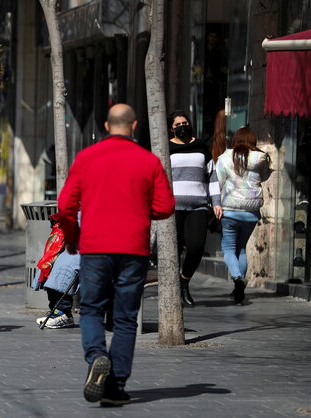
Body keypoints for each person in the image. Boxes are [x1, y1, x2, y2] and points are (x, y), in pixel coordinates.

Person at [56, 104, 175, 406]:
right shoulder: (149, 161)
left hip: (95, 247)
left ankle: (96, 355)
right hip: (133, 248)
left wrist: (72, 240)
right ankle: (116, 385)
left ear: (107, 126)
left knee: (93, 309)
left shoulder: (86, 158)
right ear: (134, 126)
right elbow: (165, 207)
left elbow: (66, 206)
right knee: (124, 318)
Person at [167, 110, 220, 307]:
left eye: (185, 122)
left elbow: (212, 176)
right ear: (171, 128)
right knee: (175, 249)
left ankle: (185, 281)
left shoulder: (200, 147)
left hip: (198, 207)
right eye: (178, 123)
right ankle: (174, 292)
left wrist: (217, 202)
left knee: (196, 247)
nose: (182, 126)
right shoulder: (166, 148)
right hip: (172, 208)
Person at [215, 127, 272, 304]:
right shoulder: (260, 158)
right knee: (241, 248)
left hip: (230, 210)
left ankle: (238, 279)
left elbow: (217, 182)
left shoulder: (224, 158)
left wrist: (215, 203)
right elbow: (263, 178)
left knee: (228, 249)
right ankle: (238, 288)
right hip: (251, 212)